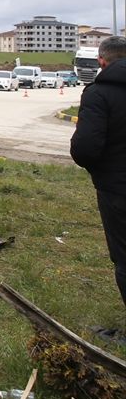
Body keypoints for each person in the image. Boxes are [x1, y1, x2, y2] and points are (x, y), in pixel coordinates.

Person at [70, 35, 126, 308]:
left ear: (101, 61)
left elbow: (84, 149)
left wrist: (103, 172)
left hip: (117, 191)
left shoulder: (98, 93)